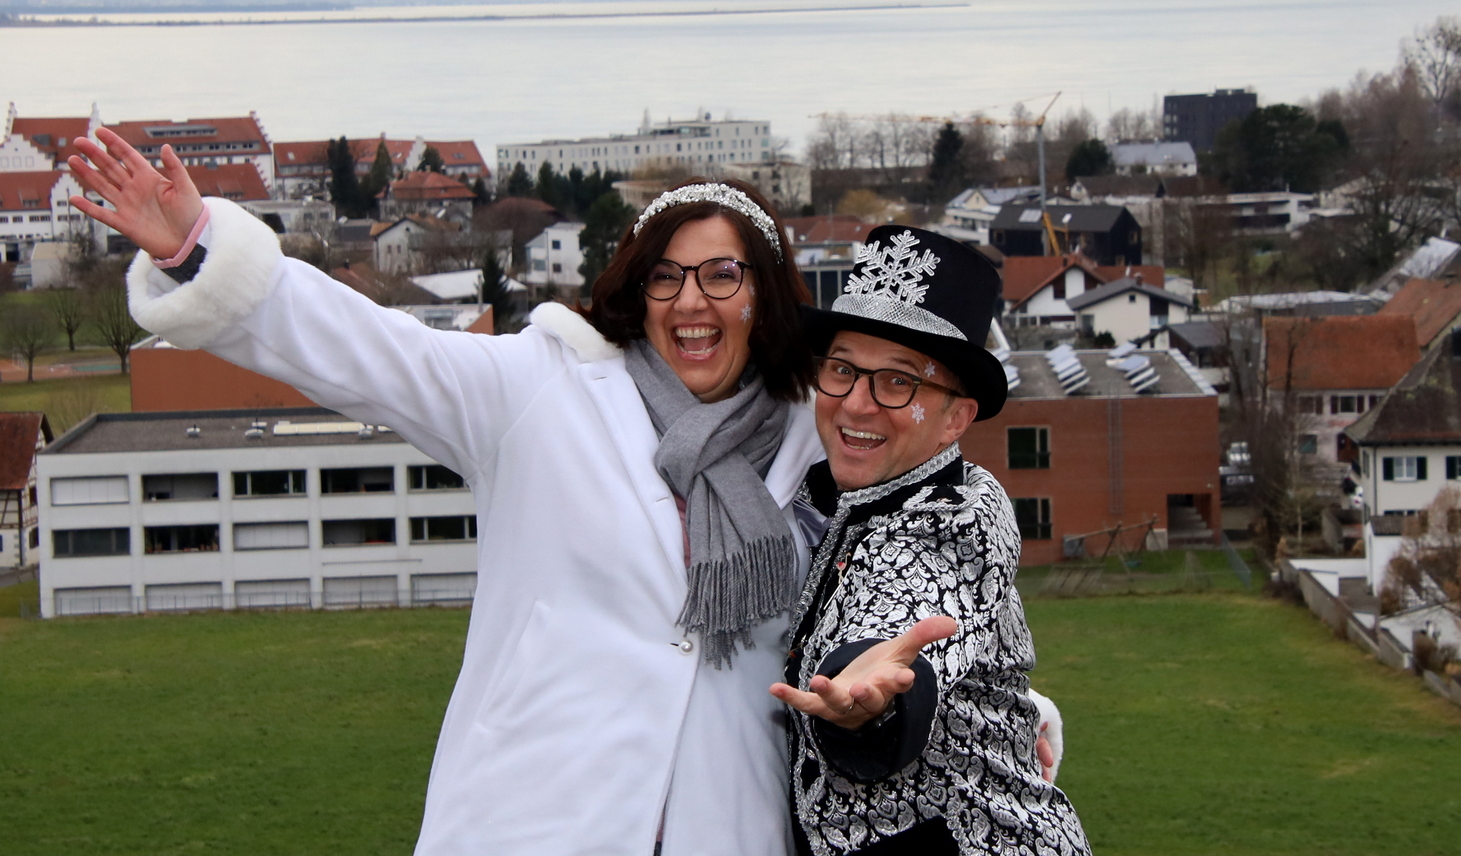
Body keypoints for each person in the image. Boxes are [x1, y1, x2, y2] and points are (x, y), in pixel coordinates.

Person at [65, 127, 912, 855]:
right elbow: (371, 350)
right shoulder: (540, 389)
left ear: (764, 291)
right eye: (666, 275)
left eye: (723, 274)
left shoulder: (817, 431)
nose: (691, 301)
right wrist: (196, 250)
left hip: (728, 824)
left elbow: (921, 537)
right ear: (639, 288)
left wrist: (909, 697)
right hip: (534, 817)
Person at [769, 226, 1091, 856]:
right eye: (842, 369)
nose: (856, 404)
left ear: (955, 419)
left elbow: (907, 613)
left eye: (898, 382)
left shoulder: (959, 518)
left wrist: (868, 701)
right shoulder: (819, 492)